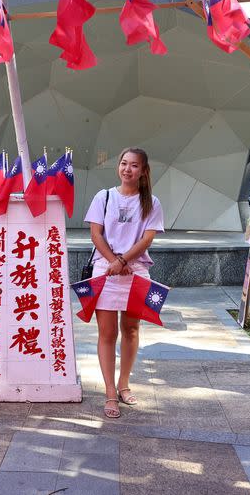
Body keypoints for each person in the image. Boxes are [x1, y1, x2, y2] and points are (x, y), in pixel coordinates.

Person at [84, 147, 164, 418]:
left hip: (136, 270)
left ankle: (124, 384)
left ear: (143, 171)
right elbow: (96, 234)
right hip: (105, 271)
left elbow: (147, 239)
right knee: (107, 333)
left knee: (131, 329)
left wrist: (125, 261)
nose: (127, 169)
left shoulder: (151, 202)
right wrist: (114, 262)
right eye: (123, 163)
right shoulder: (103, 197)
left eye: (133, 165)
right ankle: (109, 392)